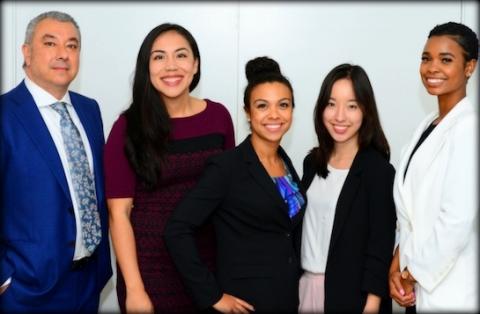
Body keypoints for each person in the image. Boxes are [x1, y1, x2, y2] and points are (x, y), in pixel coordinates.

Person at [104, 23, 235, 313]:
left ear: (196, 64)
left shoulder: (219, 117)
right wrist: (135, 289)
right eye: (159, 57)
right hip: (151, 269)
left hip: (209, 265)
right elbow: (119, 214)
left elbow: (230, 195)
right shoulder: (127, 127)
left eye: (181, 55)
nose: (171, 66)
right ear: (146, 67)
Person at [164, 56, 306, 313]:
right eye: (262, 106)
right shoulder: (227, 167)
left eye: (283, 105)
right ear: (248, 113)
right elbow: (177, 229)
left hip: (285, 296)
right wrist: (212, 296)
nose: (274, 114)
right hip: (246, 302)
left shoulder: (285, 163)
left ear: (292, 111)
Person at [0, 11, 112, 312]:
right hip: (26, 289)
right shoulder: (6, 114)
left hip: (89, 281)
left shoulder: (90, 111)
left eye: (72, 46)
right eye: (50, 43)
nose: (63, 54)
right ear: (26, 51)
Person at [389, 22, 478, 312]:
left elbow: (456, 221)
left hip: (449, 290)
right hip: (416, 287)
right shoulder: (427, 126)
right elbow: (410, 217)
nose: (432, 67)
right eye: (426, 58)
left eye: (446, 59)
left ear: (470, 67)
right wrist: (396, 265)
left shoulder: (468, 129)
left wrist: (410, 273)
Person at [299, 63, 396, 313]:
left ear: (366, 111)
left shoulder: (378, 171)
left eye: (352, 106)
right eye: (331, 104)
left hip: (352, 296)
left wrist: (372, 305)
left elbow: (381, 244)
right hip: (304, 288)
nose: (339, 116)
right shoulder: (312, 162)